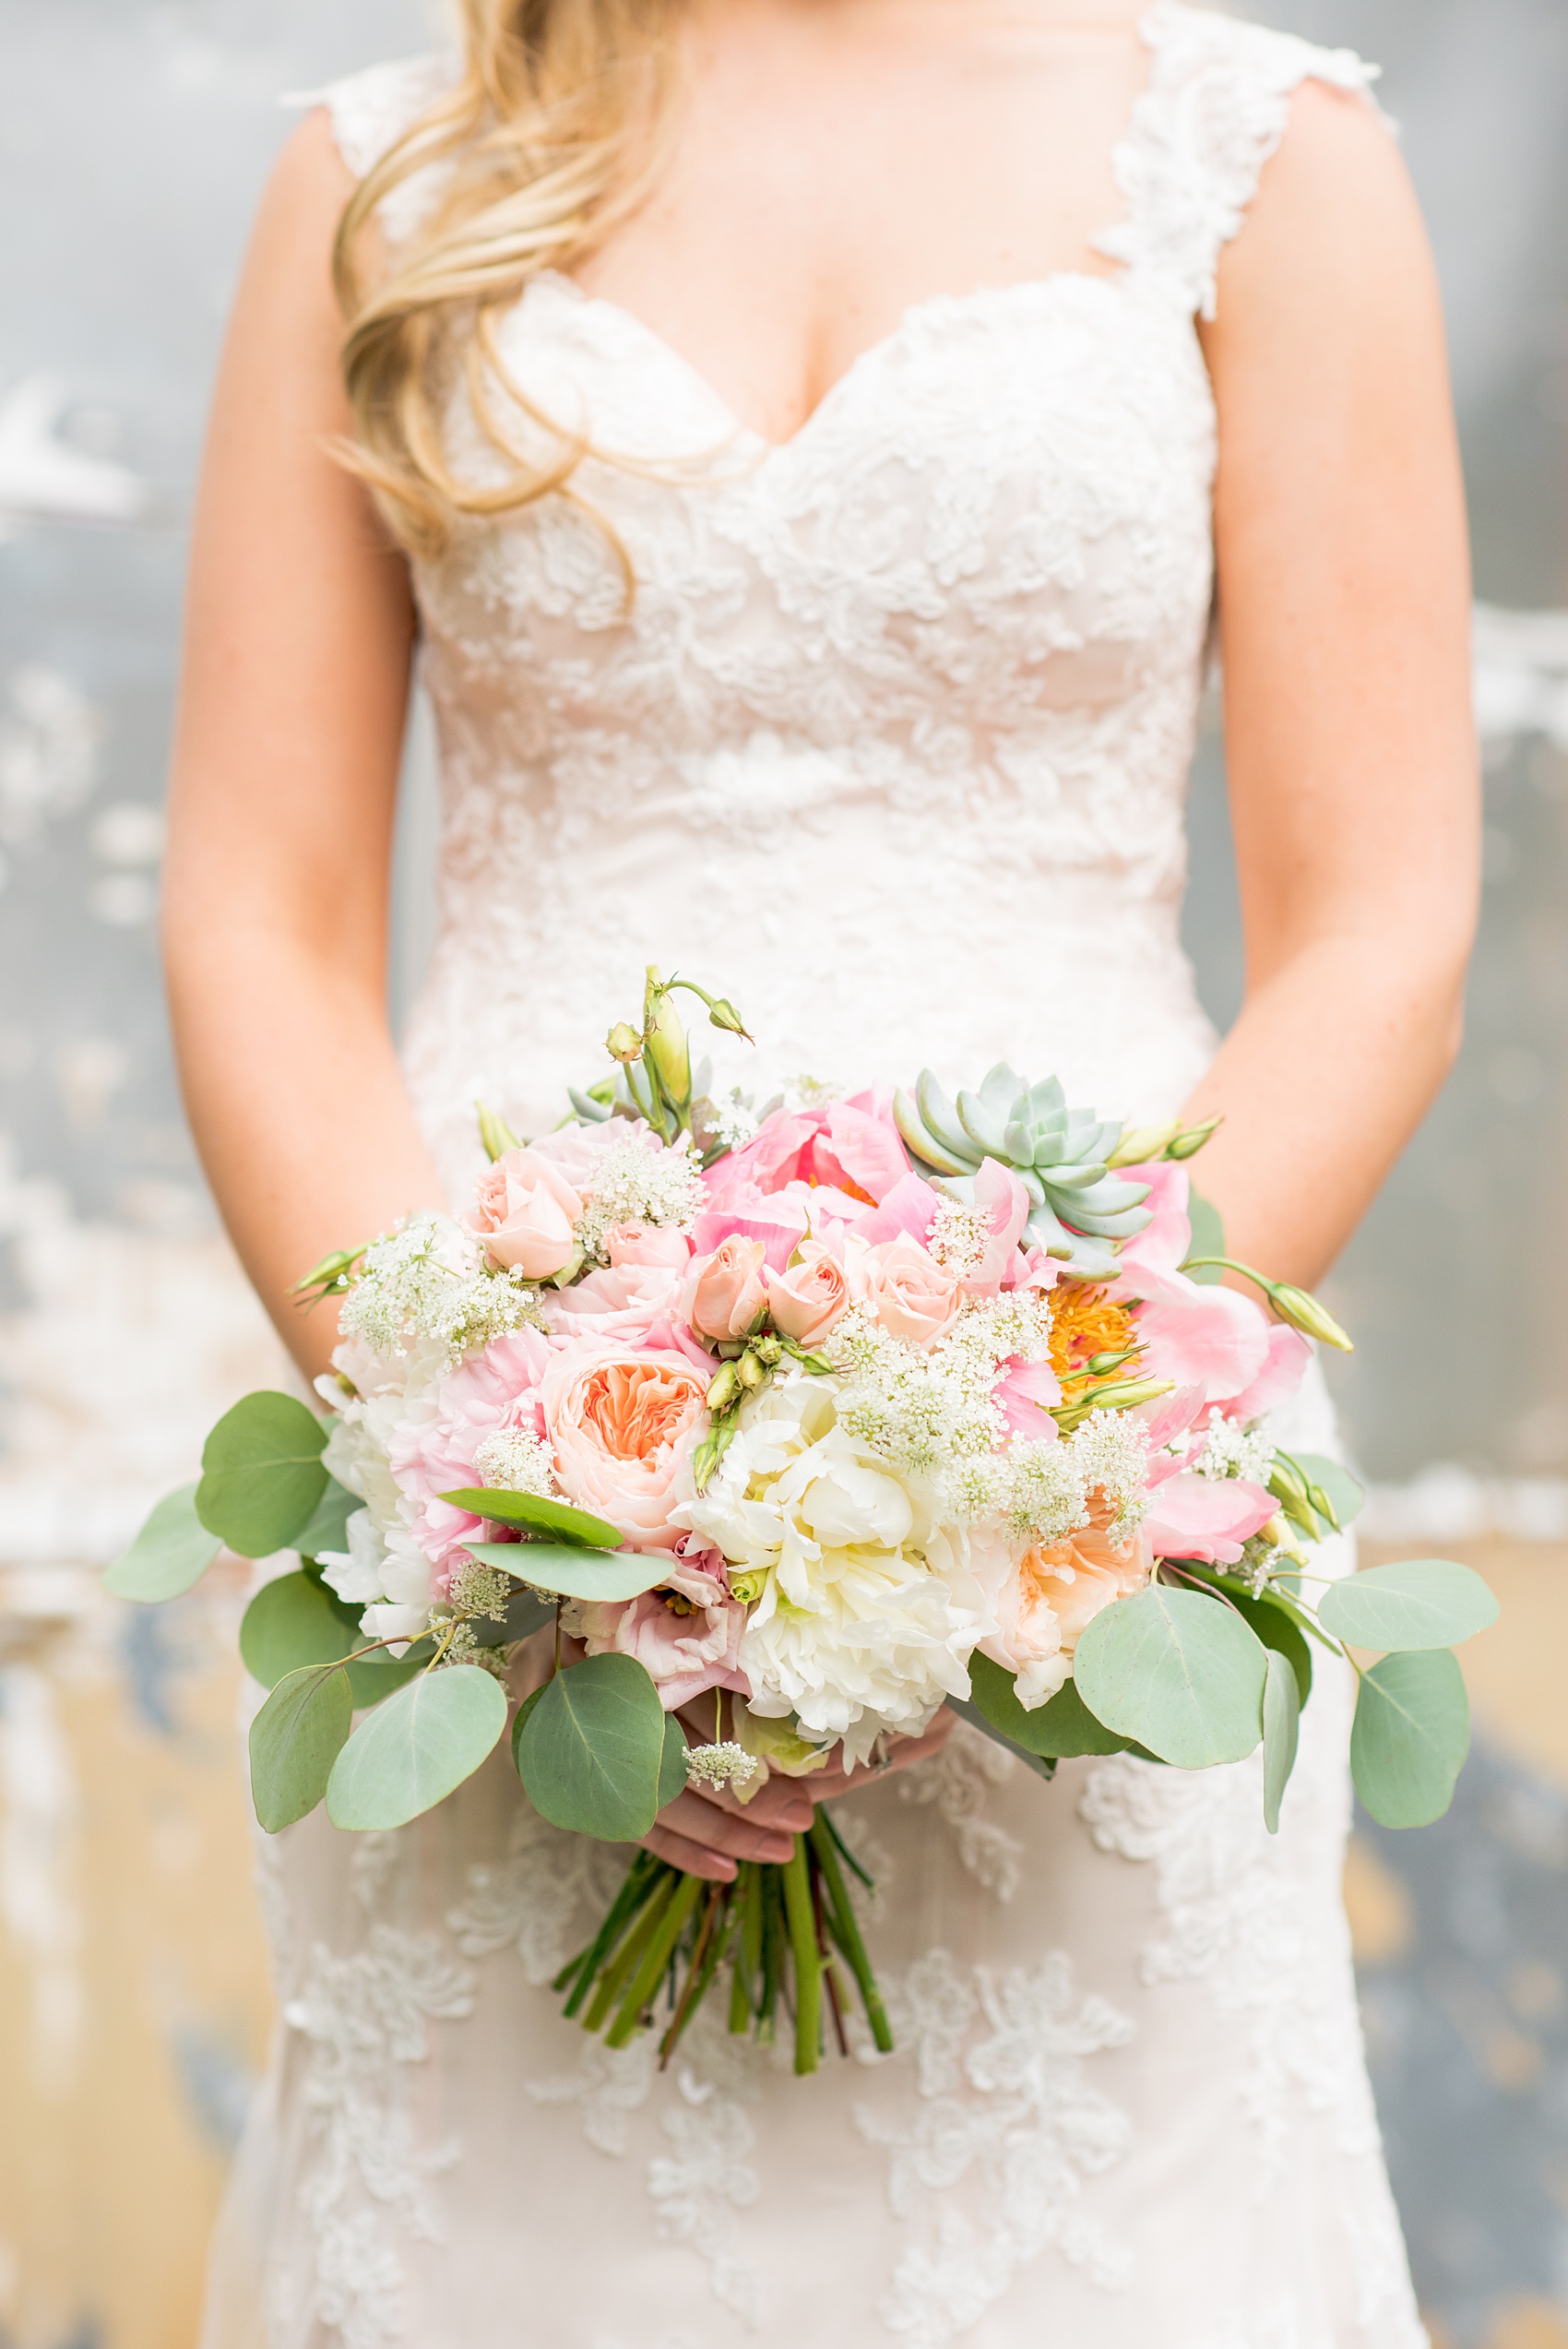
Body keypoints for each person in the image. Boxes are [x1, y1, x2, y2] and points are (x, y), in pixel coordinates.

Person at [164, 0, 1479, 2341]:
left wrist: (1035, 1475)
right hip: (503, 1496)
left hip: (1109, 1495)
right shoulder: (390, 168)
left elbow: (1377, 927)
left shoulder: (1257, 153)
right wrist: (494, 1493)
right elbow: (258, 921)